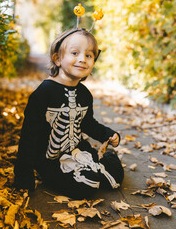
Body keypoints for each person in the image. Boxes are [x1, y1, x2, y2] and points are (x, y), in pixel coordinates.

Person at [14, 27, 124, 199]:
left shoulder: (84, 94)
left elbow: (87, 123)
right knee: (86, 186)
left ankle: (103, 161)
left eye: (88, 55)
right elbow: (29, 136)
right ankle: (96, 170)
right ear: (58, 59)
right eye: (75, 53)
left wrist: (108, 134)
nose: (82, 59)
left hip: (78, 152)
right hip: (50, 161)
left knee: (116, 175)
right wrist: (23, 175)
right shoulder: (43, 93)